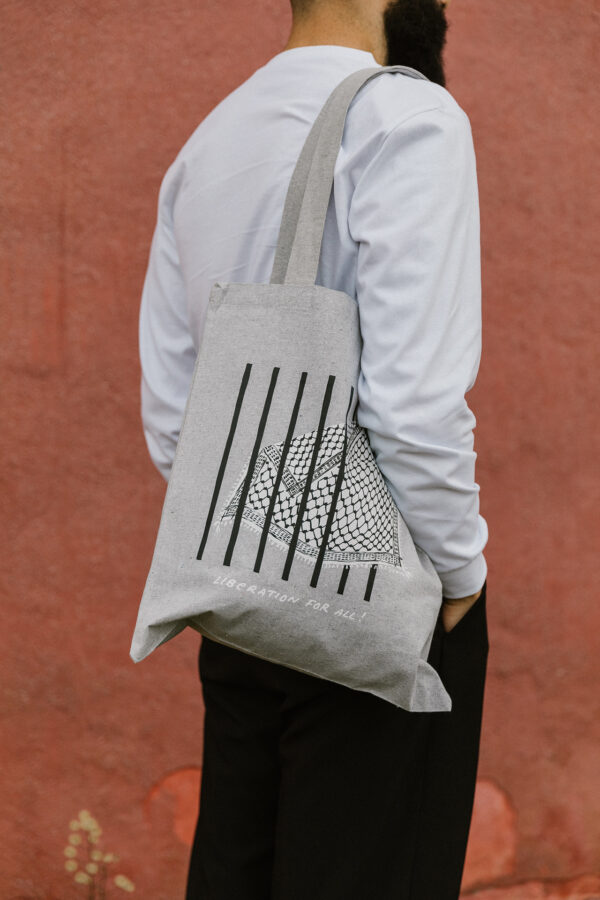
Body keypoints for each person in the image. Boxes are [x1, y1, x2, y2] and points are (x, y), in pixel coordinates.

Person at [138, 0, 490, 896]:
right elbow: (413, 405)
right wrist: (459, 578)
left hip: (242, 589)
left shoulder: (207, 145)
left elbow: (175, 419)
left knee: (238, 868)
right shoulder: (405, 116)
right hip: (379, 596)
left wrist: (261, 549)